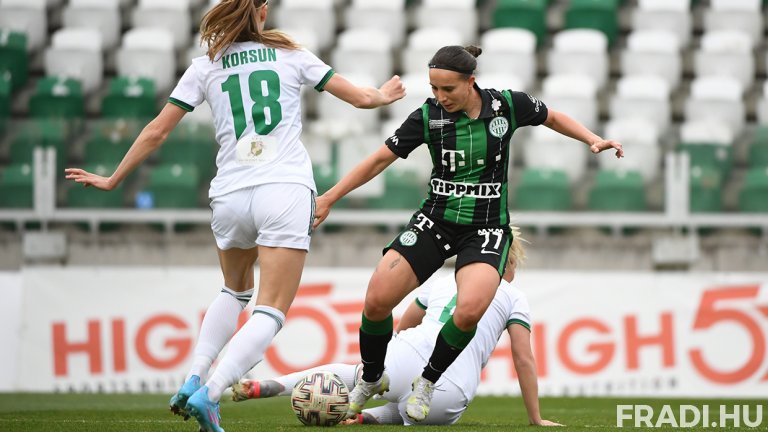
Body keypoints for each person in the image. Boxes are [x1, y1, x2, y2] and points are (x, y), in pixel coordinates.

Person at [64, 0, 404, 430]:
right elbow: (361, 98)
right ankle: (210, 394)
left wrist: (114, 178)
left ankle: (193, 377)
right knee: (271, 309)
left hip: (229, 194)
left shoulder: (205, 65)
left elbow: (157, 131)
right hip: (283, 189)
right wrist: (383, 95)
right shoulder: (291, 54)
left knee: (234, 291)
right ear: (262, 11)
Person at [312, 45, 623, 422]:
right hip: (435, 221)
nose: (440, 97)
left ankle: (428, 381)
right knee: (377, 299)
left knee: (470, 308)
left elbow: (552, 117)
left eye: (448, 89)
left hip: (486, 228)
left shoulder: (507, 105)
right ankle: (373, 377)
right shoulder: (428, 116)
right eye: (434, 88)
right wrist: (329, 197)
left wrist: (591, 138)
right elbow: (380, 159)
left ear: (470, 81)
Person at [231, 228, 562, 427]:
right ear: (508, 262)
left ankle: (273, 384)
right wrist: (535, 418)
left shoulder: (443, 283)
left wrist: (390, 358)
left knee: (361, 373)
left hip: (405, 354)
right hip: (451, 390)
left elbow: (404, 325)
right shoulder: (514, 296)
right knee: (414, 409)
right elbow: (523, 359)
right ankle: (368, 417)